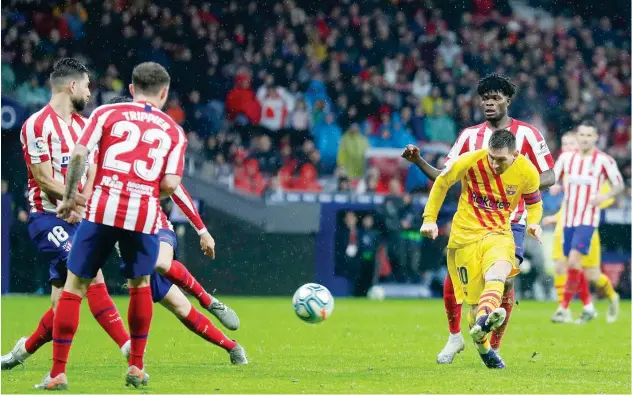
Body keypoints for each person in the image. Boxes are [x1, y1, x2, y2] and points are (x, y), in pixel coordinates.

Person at [2, 96, 246, 374]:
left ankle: (205, 304)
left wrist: (201, 229)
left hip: (152, 227)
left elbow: (175, 188)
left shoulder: (139, 150)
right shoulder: (103, 154)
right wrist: (77, 204)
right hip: (120, 238)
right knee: (65, 308)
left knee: (158, 264)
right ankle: (232, 347)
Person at [40, 62, 187, 390]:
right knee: (140, 285)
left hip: (102, 210)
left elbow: (79, 154)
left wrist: (67, 197)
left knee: (75, 286)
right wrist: (143, 189)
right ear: (164, 93)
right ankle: (135, 366)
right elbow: (171, 183)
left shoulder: (106, 114)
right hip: (143, 216)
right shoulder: (173, 130)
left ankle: (58, 372)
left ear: (132, 89)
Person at [402, 73, 555, 363]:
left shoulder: (529, 135)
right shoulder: (469, 137)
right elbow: (443, 177)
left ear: (508, 100)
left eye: (496, 97)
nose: (489, 103)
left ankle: (492, 345)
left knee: (506, 281)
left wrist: (518, 183)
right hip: (472, 220)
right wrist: (419, 161)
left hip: (513, 220)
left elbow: (549, 174)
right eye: (485, 98)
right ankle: (454, 337)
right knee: (455, 278)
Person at [1, 59, 130, 373]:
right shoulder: (36, 125)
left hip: (78, 218)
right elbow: (44, 178)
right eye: (86, 85)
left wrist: (83, 205)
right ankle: (130, 348)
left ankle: (21, 351)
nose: (89, 92)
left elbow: (93, 167)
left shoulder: (84, 127)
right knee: (89, 275)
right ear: (72, 86)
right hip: (47, 219)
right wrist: (79, 203)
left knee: (62, 306)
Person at [420, 130, 543, 369]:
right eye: (492, 158)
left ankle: (485, 320)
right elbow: (442, 182)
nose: (495, 164)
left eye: (501, 160)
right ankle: (484, 344)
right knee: (474, 306)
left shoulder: (527, 171)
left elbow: (534, 203)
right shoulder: (471, 160)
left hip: (499, 235)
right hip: (465, 238)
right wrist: (429, 218)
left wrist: (535, 223)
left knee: (499, 275)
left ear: (515, 154)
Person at [549, 121, 624, 324]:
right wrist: (554, 186)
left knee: (575, 263)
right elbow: (554, 178)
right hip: (568, 220)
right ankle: (590, 306)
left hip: (587, 220)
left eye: (589, 136)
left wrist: (603, 196)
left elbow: (619, 184)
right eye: (581, 135)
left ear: (596, 137)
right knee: (576, 267)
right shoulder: (566, 158)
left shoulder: (604, 160)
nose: (584, 139)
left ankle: (563, 308)